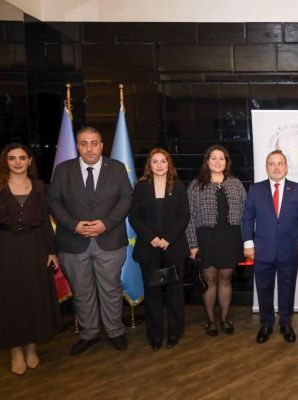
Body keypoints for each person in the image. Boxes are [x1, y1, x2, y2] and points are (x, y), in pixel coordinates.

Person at [48, 126, 132, 355]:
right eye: (84, 144)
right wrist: (73, 225)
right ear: (77, 146)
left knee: (111, 290)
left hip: (109, 240)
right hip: (73, 242)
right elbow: (53, 201)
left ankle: (115, 332)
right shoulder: (63, 170)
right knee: (82, 292)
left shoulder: (116, 168)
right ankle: (89, 333)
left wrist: (106, 223)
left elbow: (126, 198)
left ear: (102, 146)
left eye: (94, 143)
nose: (89, 148)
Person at [0, 143, 61, 375]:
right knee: (11, 300)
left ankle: (32, 348)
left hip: (36, 249)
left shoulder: (41, 188)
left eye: (22, 158)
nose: (17, 162)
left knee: (34, 297)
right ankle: (15, 350)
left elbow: (46, 223)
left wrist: (51, 251)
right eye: (12, 158)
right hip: (6, 250)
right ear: (6, 162)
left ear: (29, 161)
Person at [242, 150, 298, 344]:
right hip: (262, 249)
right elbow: (247, 218)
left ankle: (286, 323)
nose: (276, 167)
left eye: (280, 163)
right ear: (266, 168)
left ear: (286, 167)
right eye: (271, 164)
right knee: (264, 288)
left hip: (289, 249)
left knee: (287, 288)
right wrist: (248, 243)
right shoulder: (255, 190)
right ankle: (266, 323)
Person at [129, 148, 190, 351]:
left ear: (168, 163)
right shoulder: (141, 187)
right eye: (155, 161)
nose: (159, 165)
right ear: (150, 165)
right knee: (152, 294)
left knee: (175, 292)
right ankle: (155, 334)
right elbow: (134, 217)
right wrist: (152, 238)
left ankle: (175, 332)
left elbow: (184, 216)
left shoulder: (178, 186)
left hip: (173, 248)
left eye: (163, 161)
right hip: (149, 249)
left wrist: (168, 239)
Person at [186, 144, 246, 337]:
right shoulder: (196, 185)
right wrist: (192, 244)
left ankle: (225, 319)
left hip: (231, 238)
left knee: (226, 279)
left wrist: (247, 241)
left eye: (222, 158)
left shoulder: (236, 183)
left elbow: (246, 214)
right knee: (210, 280)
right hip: (206, 239)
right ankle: (211, 321)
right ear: (207, 161)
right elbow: (188, 217)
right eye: (214, 158)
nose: (218, 161)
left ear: (226, 162)